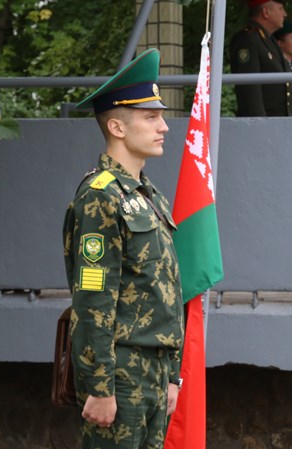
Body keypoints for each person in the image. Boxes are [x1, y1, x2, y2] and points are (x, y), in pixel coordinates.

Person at [63, 48, 184, 448]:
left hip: (155, 370)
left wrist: (172, 374)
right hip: (121, 373)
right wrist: (99, 386)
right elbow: (93, 295)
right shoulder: (100, 196)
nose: (163, 126)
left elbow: (165, 288)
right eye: (150, 117)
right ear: (116, 126)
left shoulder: (149, 196)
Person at [230, 0, 292, 117]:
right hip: (264, 123)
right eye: (280, 9)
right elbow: (249, 90)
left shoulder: (269, 40)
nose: (285, 14)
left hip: (278, 122)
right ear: (265, 12)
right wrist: (259, 122)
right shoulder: (248, 39)